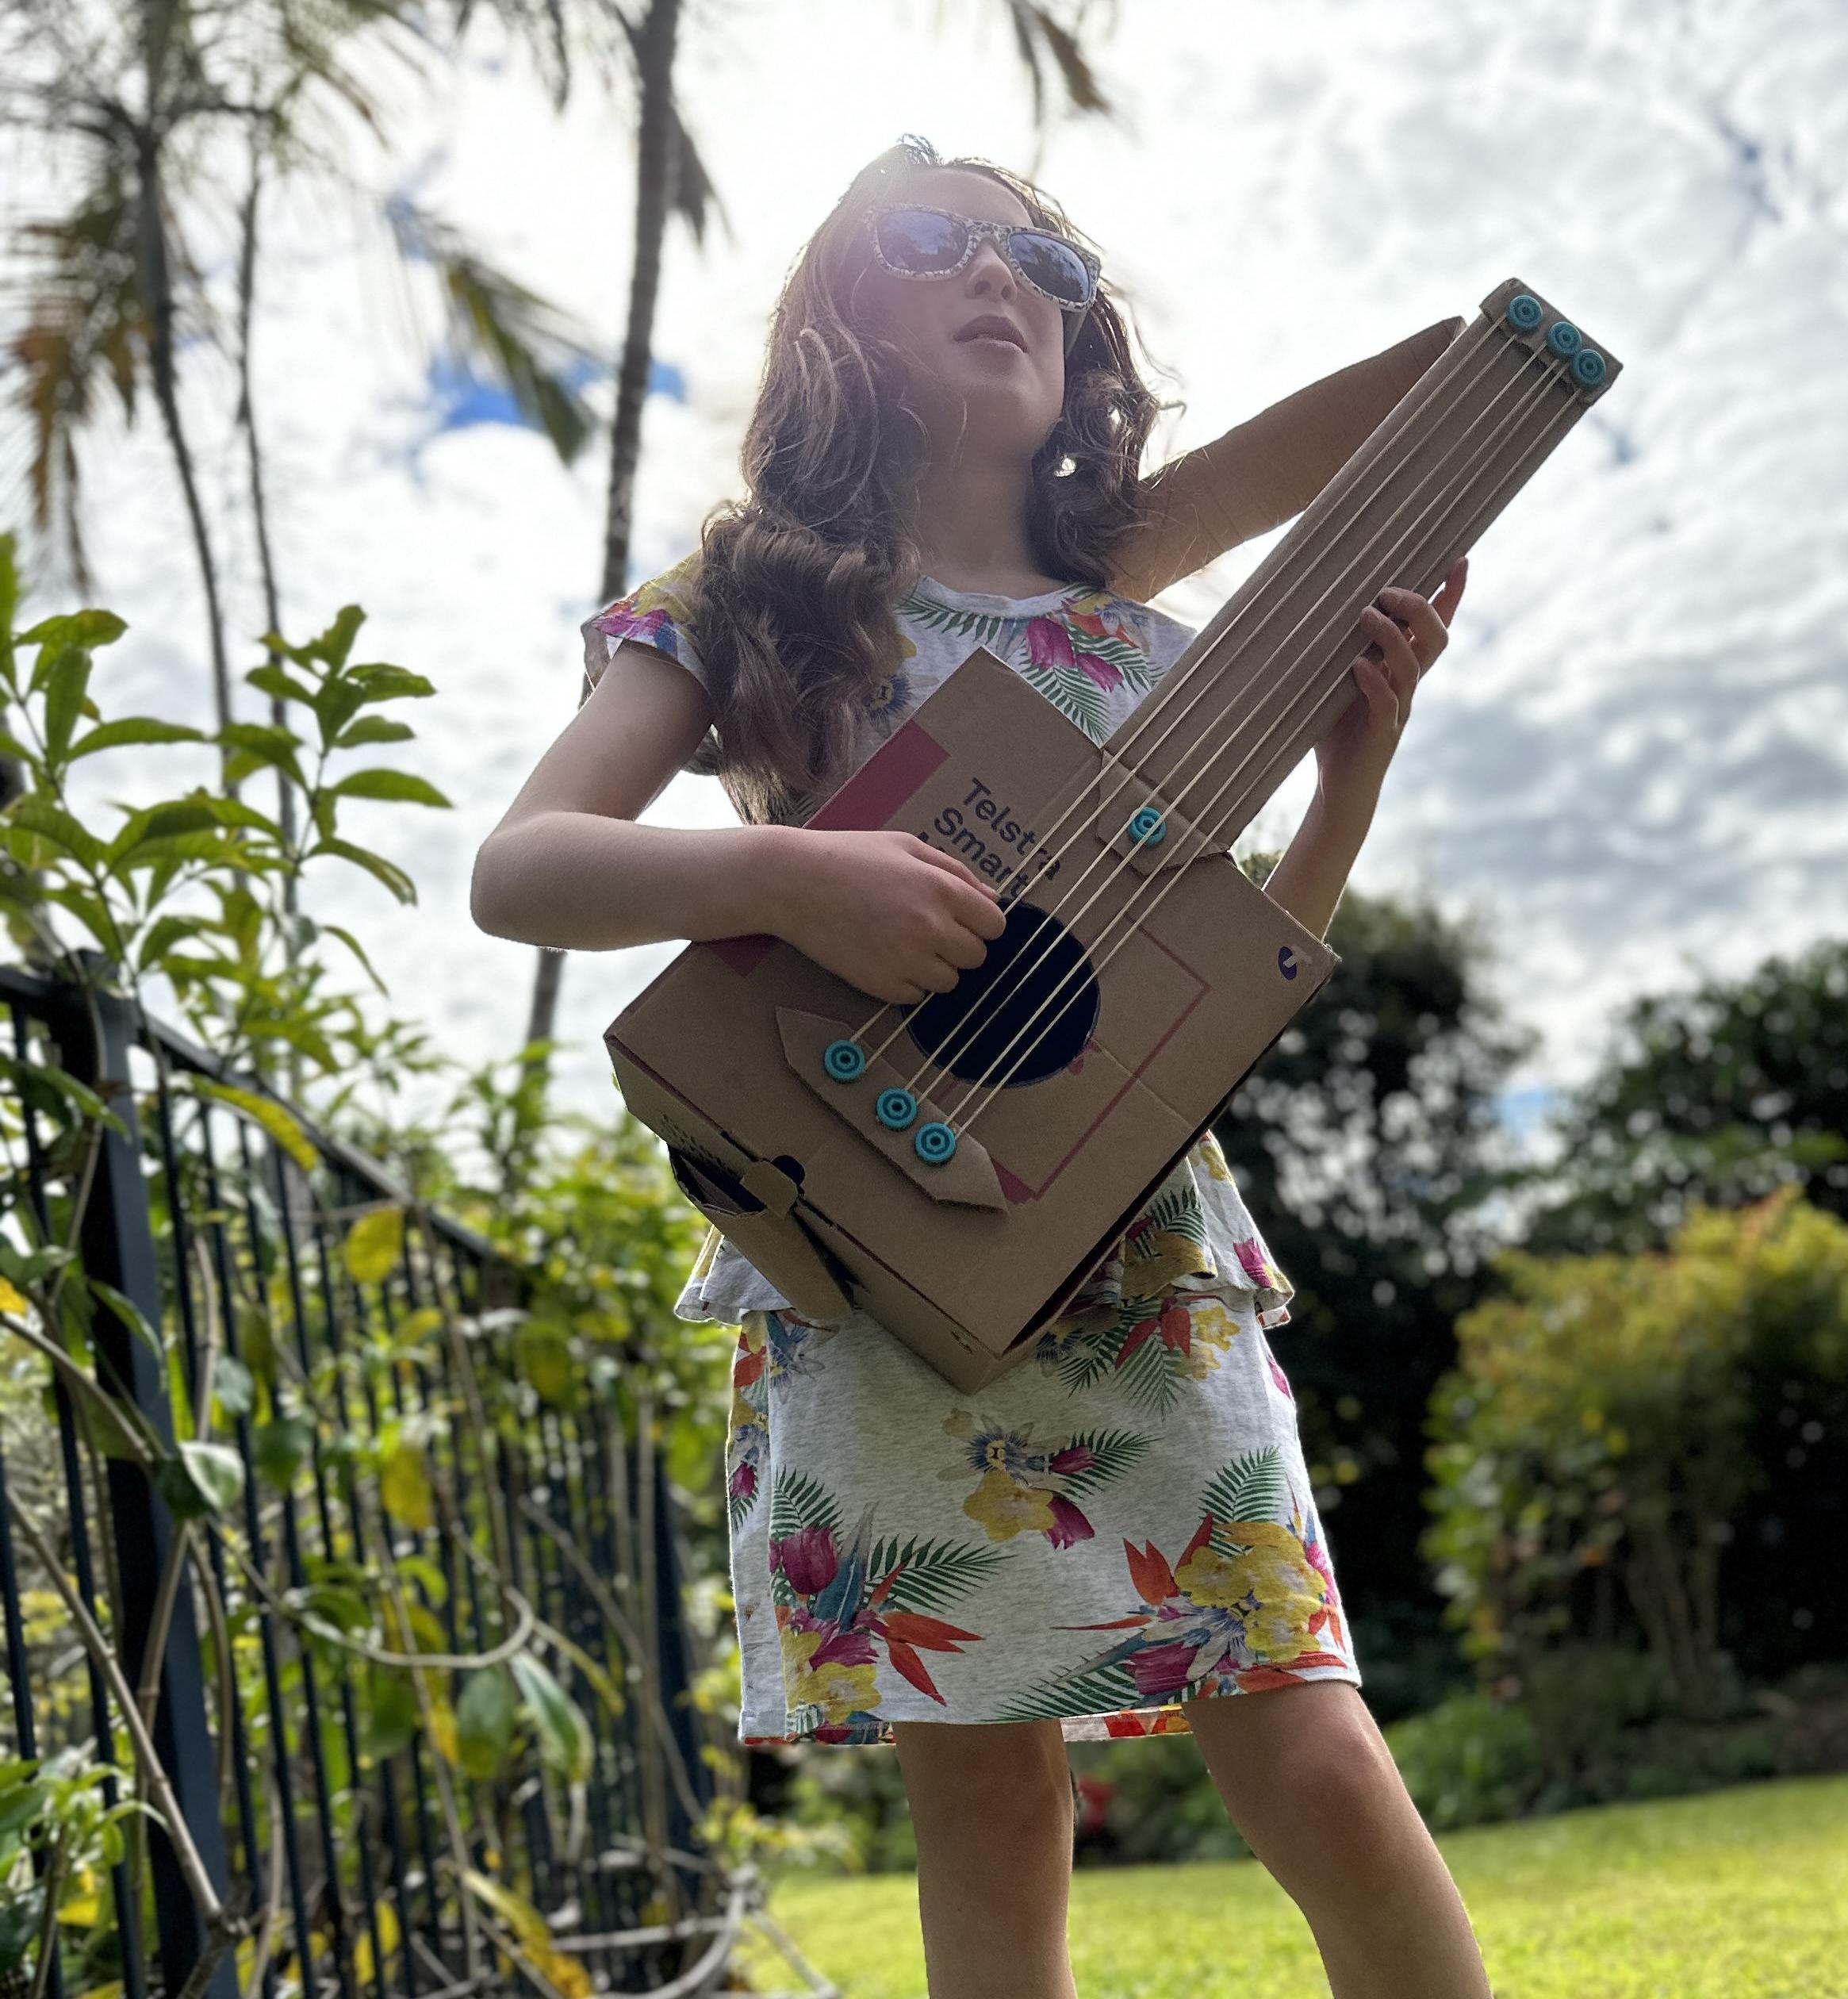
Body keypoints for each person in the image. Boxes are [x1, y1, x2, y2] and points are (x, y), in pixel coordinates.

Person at [470, 133, 1485, 1999]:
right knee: (992, 1803)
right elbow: (520, 867)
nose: (1008, 281)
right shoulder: (752, 602)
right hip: (875, 1253)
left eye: (1052, 266)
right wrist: (795, 874)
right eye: (939, 242)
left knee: (1319, 1752)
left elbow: (1197, 985)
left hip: (1139, 1248)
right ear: (839, 319)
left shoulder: (1150, 650)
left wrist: (1352, 772)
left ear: (1089, 356)